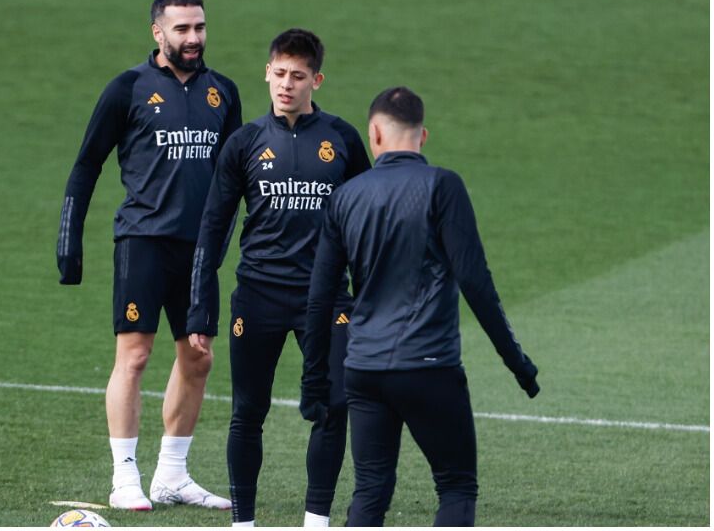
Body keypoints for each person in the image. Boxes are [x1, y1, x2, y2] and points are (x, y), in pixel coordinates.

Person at [301, 86, 540, 527]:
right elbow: (475, 281)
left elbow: (319, 299)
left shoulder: (345, 197)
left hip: (364, 369)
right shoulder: (442, 186)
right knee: (456, 487)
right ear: (423, 135)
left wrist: (314, 381)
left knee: (370, 491)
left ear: (374, 134)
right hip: (429, 367)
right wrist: (517, 362)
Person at [56, 0, 241, 511]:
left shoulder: (222, 92)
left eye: (199, 27)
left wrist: (222, 241)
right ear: (157, 32)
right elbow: (86, 164)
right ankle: (124, 477)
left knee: (197, 358)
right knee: (134, 356)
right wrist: (70, 241)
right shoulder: (128, 88)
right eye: (181, 29)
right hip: (142, 241)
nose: (193, 38)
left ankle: (173, 476)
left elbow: (230, 180)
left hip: (198, 251)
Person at [187, 28, 371, 527]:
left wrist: (370, 297)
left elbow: (365, 223)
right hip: (259, 297)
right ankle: (243, 522)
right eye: (279, 74)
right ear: (267, 72)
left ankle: (317, 520)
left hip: (327, 298)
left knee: (333, 407)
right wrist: (200, 306)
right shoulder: (244, 143)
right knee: (249, 411)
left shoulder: (344, 140)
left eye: (298, 76)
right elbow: (212, 227)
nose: (286, 85)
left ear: (317, 80)